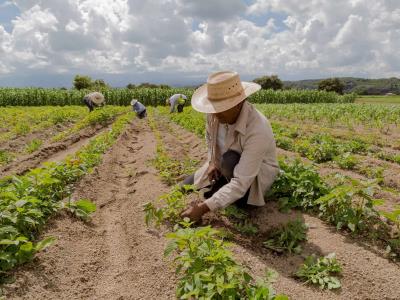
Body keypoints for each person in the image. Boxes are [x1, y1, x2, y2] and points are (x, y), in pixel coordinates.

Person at [180, 71, 279, 222]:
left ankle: (239, 200)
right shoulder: (214, 115)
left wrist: (203, 208)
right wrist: (212, 161)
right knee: (183, 187)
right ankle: (221, 184)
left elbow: (241, 182)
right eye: (214, 107)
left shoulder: (258, 129)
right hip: (222, 165)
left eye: (221, 108)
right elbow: (209, 139)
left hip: (251, 177)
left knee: (229, 160)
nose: (215, 113)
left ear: (238, 103)